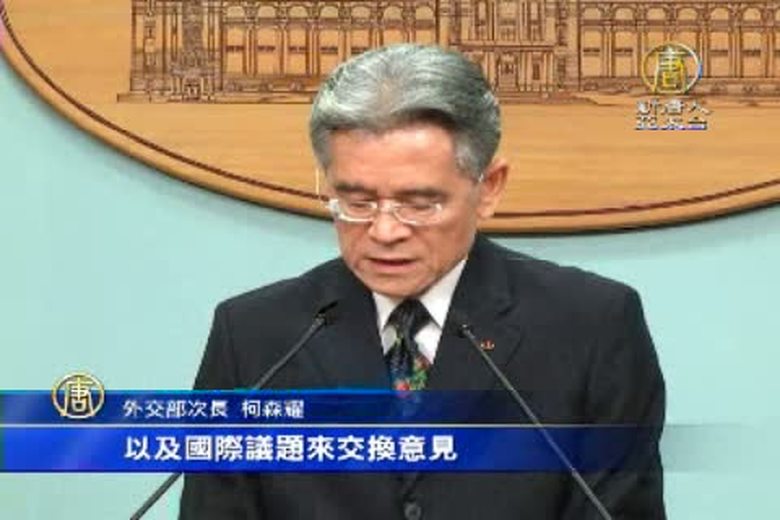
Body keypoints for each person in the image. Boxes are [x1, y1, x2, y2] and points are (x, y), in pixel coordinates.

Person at [180, 44, 665, 519]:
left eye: (418, 204)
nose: (384, 232)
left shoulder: (592, 327)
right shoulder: (255, 337)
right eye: (357, 202)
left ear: (489, 187)